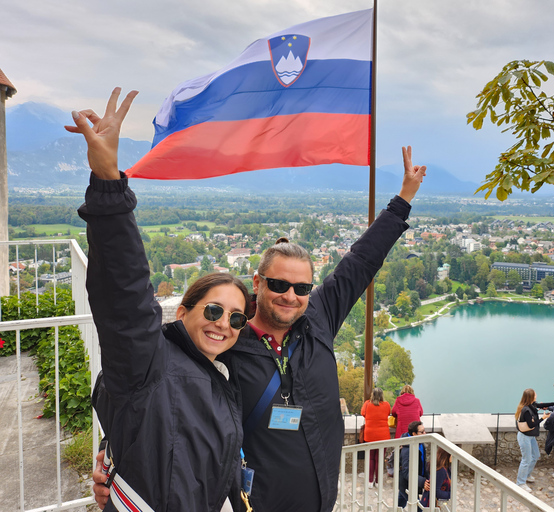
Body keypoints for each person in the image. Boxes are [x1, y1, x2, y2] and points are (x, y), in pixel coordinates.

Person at [92, 140, 426, 509]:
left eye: (301, 288)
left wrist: (403, 198)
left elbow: (362, 260)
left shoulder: (318, 318)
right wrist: (117, 454)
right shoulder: (226, 346)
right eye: (279, 285)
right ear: (258, 283)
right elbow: (147, 385)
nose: (290, 296)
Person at [69, 88, 251, 511]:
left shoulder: (219, 377)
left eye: (237, 319)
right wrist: (108, 185)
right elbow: (125, 299)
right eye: (213, 310)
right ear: (182, 311)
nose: (224, 323)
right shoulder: (149, 362)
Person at [515, 388, 546, 492]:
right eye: (535, 394)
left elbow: (539, 405)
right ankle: (520, 483)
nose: (536, 394)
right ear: (531, 397)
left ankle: (526, 475)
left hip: (530, 436)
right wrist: (543, 418)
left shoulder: (530, 406)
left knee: (535, 456)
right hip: (525, 437)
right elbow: (531, 424)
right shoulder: (526, 410)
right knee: (526, 459)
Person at [360, 387, 392, 487]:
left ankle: (370, 481)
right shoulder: (386, 405)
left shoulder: (367, 404)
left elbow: (363, 414)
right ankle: (378, 481)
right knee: (379, 459)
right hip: (383, 435)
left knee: (370, 458)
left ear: (372, 395)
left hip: (370, 435)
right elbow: (388, 413)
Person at [398, 420, 428, 508]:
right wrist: (422, 482)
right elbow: (406, 472)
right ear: (414, 434)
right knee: (418, 508)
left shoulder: (420, 443)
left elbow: (423, 462)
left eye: (424, 430)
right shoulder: (407, 450)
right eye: (422, 432)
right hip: (408, 485)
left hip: (412, 482)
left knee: (400, 503)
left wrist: (427, 477)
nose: (425, 433)